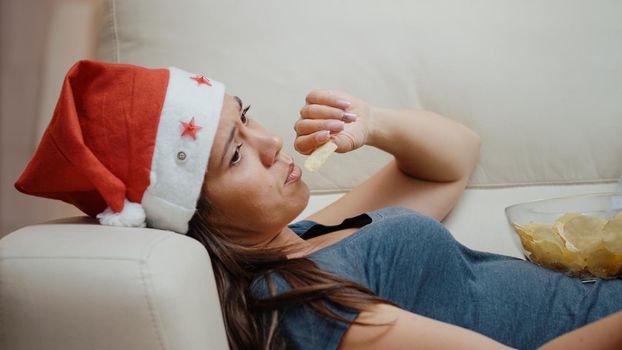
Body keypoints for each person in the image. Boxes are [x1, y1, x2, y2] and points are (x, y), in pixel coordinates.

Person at [15, 60, 622, 350]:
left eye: (247, 118)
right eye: (235, 155)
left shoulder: (306, 233)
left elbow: (455, 157)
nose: (271, 141)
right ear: (192, 221)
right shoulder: (299, 306)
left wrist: (374, 121)